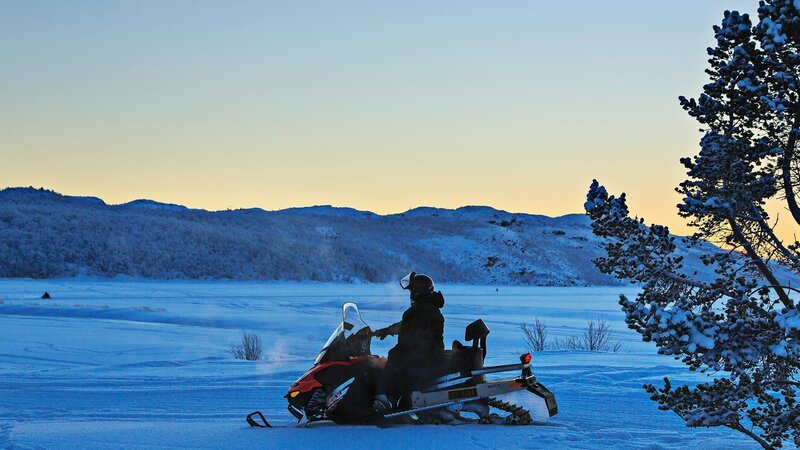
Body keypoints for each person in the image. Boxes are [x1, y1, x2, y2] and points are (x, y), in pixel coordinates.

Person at [371, 272, 445, 413]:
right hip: (429, 352)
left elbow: (414, 336)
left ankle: (386, 401)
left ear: (417, 292)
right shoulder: (425, 307)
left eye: (411, 291)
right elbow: (407, 325)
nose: (410, 294)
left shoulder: (423, 310)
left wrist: (396, 352)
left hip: (425, 355)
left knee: (390, 366)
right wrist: (386, 331)